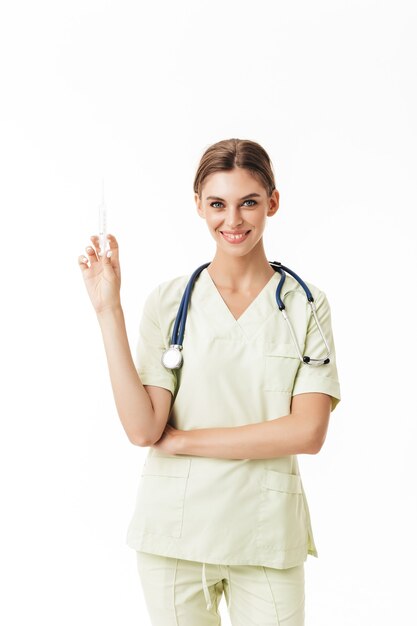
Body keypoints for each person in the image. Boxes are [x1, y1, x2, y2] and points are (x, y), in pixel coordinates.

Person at [78, 138, 341, 626]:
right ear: (198, 205)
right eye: (218, 204)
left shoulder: (306, 305)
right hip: (175, 535)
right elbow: (142, 429)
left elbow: (308, 432)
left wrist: (186, 442)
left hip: (265, 536)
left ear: (273, 203)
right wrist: (108, 309)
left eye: (249, 203)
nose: (233, 220)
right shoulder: (169, 302)